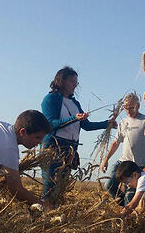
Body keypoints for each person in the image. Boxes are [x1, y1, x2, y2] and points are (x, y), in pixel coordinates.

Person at [41, 66, 116, 207]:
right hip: (54, 147)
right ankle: (43, 216)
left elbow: (86, 125)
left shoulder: (75, 103)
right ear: (61, 81)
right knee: (49, 186)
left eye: (76, 82)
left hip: (70, 149)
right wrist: (73, 118)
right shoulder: (50, 99)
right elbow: (50, 124)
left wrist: (107, 124)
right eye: (72, 81)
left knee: (61, 188)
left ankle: (54, 216)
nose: (75, 85)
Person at [100, 92, 145, 206]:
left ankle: (127, 212)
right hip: (123, 162)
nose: (128, 111)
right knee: (109, 185)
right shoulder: (123, 122)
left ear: (138, 106)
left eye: (131, 108)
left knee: (130, 194)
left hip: (138, 165)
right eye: (126, 108)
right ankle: (123, 206)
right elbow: (116, 143)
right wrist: (106, 159)